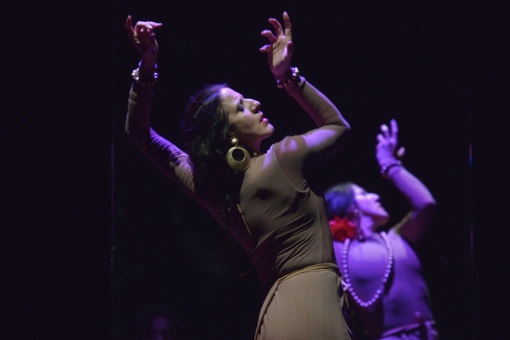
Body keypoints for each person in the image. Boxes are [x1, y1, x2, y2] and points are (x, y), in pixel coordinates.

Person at [124, 11, 352, 339]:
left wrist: (146, 66)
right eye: (241, 107)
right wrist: (289, 77)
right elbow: (337, 126)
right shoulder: (284, 157)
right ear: (228, 133)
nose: (256, 102)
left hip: (277, 313)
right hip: (312, 309)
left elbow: (140, 135)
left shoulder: (209, 186)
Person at [324, 119, 438, 340]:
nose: (375, 196)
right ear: (349, 209)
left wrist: (391, 166)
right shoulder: (337, 250)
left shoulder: (397, 238)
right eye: (364, 194)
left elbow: (426, 204)